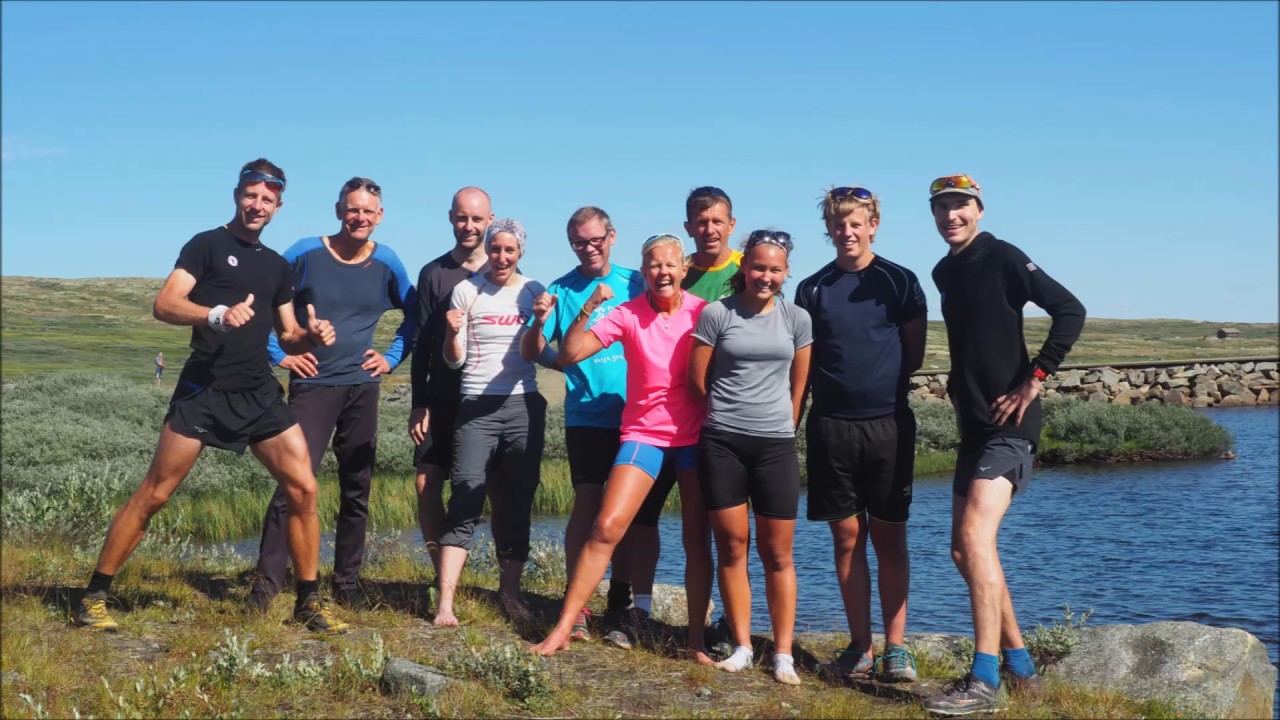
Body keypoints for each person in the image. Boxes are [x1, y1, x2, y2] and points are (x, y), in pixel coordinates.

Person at [75, 159, 348, 635]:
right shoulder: (206, 245)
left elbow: (288, 336)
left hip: (258, 392)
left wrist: (313, 336)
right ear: (237, 196)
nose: (257, 205)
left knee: (304, 489)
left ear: (278, 206)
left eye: (267, 199)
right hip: (205, 389)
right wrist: (216, 315)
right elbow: (165, 304)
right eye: (251, 195)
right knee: (155, 493)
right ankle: (93, 596)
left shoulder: (277, 266)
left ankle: (308, 602)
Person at [921, 175, 1085, 715]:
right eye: (942, 208)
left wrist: (1034, 379)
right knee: (962, 550)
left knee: (975, 537)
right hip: (973, 426)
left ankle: (983, 680)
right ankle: (1021, 667)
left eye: (961, 206)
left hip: (1012, 426)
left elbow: (1070, 310)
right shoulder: (944, 271)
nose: (951, 216)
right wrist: (958, 380)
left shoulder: (1004, 256)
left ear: (980, 210)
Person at [531, 233, 714, 665]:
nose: (662, 272)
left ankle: (696, 642)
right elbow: (570, 354)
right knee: (606, 527)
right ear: (643, 271)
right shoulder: (628, 313)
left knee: (696, 539)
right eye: (654, 265)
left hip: (693, 438)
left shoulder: (704, 313)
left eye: (670, 264)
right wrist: (589, 308)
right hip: (644, 436)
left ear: (684, 269)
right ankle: (563, 628)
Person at [248, 177, 416, 612]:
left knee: (356, 487)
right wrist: (279, 355)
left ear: (380, 216)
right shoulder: (305, 253)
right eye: (352, 209)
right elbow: (261, 300)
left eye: (368, 211)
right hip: (313, 386)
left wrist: (391, 357)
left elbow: (417, 314)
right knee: (294, 484)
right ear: (339, 210)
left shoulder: (387, 262)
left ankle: (347, 583)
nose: (359, 217)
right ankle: (266, 585)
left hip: (363, 386)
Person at [794, 186, 927, 684]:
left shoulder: (900, 280)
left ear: (873, 225)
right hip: (831, 427)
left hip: (888, 424)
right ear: (828, 229)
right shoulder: (811, 288)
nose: (846, 232)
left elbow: (913, 354)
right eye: (838, 224)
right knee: (847, 538)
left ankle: (897, 648)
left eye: (856, 223)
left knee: (890, 536)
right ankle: (860, 646)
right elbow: (804, 365)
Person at [688, 229, 812, 684]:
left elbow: (799, 386)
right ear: (744, 267)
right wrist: (728, 414)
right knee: (732, 546)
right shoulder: (717, 313)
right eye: (758, 267)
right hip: (722, 443)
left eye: (775, 270)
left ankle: (782, 654)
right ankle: (742, 646)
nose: (766, 276)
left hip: (775, 446)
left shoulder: (797, 318)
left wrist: (783, 426)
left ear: (786, 272)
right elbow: (697, 380)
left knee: (778, 553)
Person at [519, 206, 649, 642]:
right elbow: (534, 351)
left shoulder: (637, 281)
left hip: (637, 415)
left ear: (612, 236)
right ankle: (576, 605)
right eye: (579, 242)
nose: (589, 248)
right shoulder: (560, 289)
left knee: (626, 515)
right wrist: (545, 333)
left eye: (595, 240)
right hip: (587, 415)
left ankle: (621, 602)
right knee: (586, 505)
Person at [433, 218, 547, 627]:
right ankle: (445, 603)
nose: (501, 257)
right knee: (465, 494)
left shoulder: (534, 291)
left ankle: (510, 595)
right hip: (476, 405)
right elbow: (454, 361)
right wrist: (451, 334)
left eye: (509, 250)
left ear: (520, 253)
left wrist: (539, 321)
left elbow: (537, 352)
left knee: (516, 501)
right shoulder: (468, 290)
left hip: (523, 405)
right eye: (495, 249)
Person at [409, 187, 493, 583]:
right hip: (440, 399)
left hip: (484, 400)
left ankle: (497, 581)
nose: (469, 226)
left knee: (485, 488)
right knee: (426, 484)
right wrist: (418, 403)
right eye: (462, 218)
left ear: (489, 220)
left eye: (476, 219)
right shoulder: (434, 274)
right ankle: (439, 575)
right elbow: (421, 344)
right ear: (450, 218)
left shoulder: (501, 271)